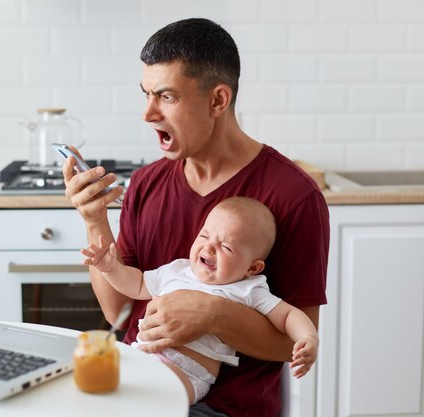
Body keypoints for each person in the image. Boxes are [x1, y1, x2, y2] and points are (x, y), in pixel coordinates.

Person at [61, 17, 329, 417]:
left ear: (218, 100)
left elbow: (294, 342)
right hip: (138, 382)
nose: (148, 113)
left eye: (166, 97)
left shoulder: (293, 196)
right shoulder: (147, 184)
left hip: (224, 408)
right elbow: (116, 311)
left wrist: (211, 314)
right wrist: (95, 220)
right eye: (146, 95)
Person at [81, 197, 319, 405]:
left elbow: (289, 315)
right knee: (95, 386)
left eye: (226, 247)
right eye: (204, 235)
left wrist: (308, 337)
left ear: (252, 267)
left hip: (186, 373)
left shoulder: (247, 289)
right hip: (141, 354)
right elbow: (138, 285)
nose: (209, 247)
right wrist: (110, 269)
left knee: (142, 400)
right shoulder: (178, 270)